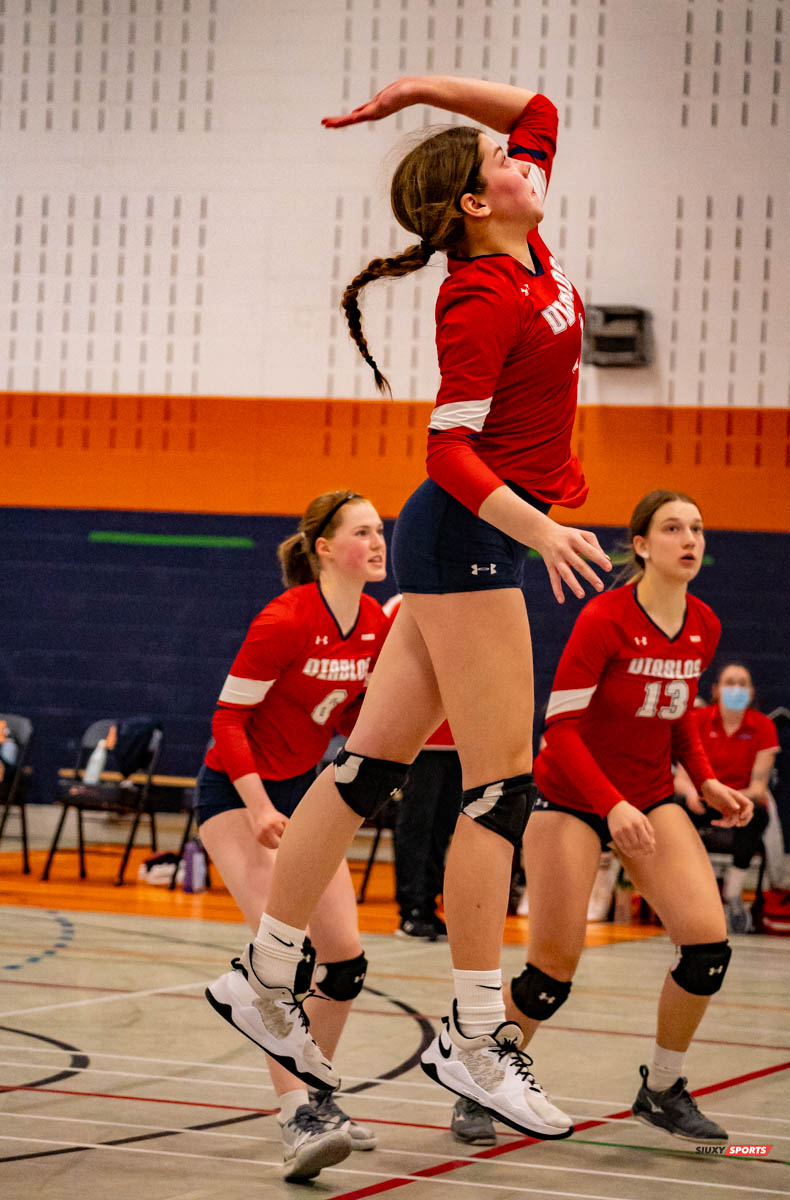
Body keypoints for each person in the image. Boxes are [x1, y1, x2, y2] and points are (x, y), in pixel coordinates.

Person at [206, 74, 613, 1141]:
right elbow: (445, 449)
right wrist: (539, 529)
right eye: (495, 163)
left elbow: (537, 108)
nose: (517, 156)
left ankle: (261, 976)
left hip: (471, 538)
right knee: (498, 793)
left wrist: (414, 93)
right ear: (477, 205)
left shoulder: (523, 246)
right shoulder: (478, 295)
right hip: (471, 536)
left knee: (363, 770)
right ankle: (475, 1041)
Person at [486, 490, 754, 1146]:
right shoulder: (605, 618)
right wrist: (611, 805)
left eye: (696, 527)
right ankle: (485, 1074)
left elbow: (678, 713)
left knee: (707, 949)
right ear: (640, 544)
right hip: (571, 799)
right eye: (671, 528)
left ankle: (662, 1088)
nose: (688, 539)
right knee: (551, 971)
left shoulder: (703, 624)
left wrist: (708, 779)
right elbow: (561, 728)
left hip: (649, 798)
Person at [197, 489, 388, 1182]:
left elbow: (360, 713)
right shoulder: (284, 619)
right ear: (324, 547)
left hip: (303, 794)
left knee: (345, 963)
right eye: (362, 531)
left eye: (380, 530)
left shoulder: (374, 622)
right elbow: (226, 720)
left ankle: (321, 1095)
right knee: (286, 962)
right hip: (236, 793)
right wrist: (254, 807)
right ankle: (296, 1119)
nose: (377, 541)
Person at [675, 663, 780, 933]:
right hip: (703, 801)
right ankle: (690, 892)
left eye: (743, 683)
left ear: (752, 691)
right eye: (730, 682)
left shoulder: (763, 726)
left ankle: (732, 895)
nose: (736, 688)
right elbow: (682, 777)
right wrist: (690, 794)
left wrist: (729, 799)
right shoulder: (697, 719)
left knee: (758, 813)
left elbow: (758, 787)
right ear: (716, 690)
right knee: (674, 808)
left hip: (739, 802)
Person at [382, 593, 460, 944]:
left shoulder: (479, 603)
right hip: (420, 742)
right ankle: (411, 910)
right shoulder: (402, 605)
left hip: (461, 739)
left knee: (442, 827)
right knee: (416, 824)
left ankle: (429, 907)